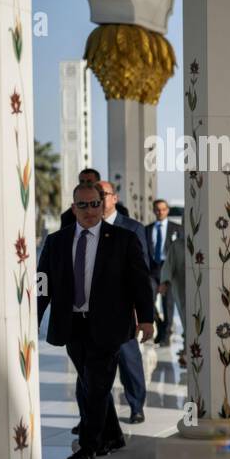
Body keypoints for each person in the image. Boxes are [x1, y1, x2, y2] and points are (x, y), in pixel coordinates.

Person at [38, 183, 155, 459]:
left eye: (94, 204)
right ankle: (113, 435)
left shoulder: (123, 239)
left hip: (109, 325)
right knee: (90, 383)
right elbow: (43, 284)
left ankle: (89, 447)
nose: (89, 211)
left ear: (103, 204)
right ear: (73, 206)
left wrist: (147, 318)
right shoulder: (57, 242)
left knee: (97, 384)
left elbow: (140, 282)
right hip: (72, 325)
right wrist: (32, 319)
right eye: (83, 205)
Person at [98, 181, 150, 425]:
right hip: (92, 313)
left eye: (103, 194)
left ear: (114, 198)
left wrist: (143, 314)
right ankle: (94, 414)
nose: (99, 199)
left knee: (129, 362)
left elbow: (142, 273)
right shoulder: (86, 227)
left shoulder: (132, 228)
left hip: (124, 310)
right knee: (93, 369)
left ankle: (136, 405)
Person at [146, 198, 181, 344]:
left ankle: (165, 335)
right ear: (154, 211)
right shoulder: (147, 229)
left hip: (169, 269)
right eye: (157, 209)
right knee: (147, 300)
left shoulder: (177, 228)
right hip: (152, 270)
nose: (160, 212)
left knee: (167, 304)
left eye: (163, 209)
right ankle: (160, 324)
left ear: (167, 210)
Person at [60, 168, 128, 228]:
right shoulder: (68, 217)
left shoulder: (120, 211)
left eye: (89, 181)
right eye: (82, 181)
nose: (85, 184)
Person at [159, 228, 187, 366]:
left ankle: (188, 351)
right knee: (186, 318)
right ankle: (188, 351)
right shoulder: (178, 245)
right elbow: (169, 265)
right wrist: (164, 282)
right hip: (182, 288)